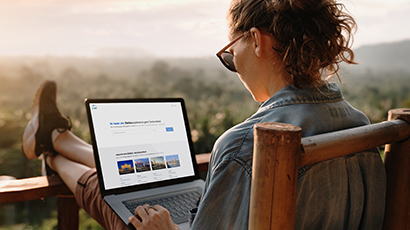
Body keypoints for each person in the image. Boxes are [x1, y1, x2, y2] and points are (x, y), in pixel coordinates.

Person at [22, 0, 386, 229]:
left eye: (230, 53)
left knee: (111, 194)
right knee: (133, 177)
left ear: (256, 41)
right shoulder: (362, 127)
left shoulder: (248, 144)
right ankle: (56, 137)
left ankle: (53, 151)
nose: (234, 64)